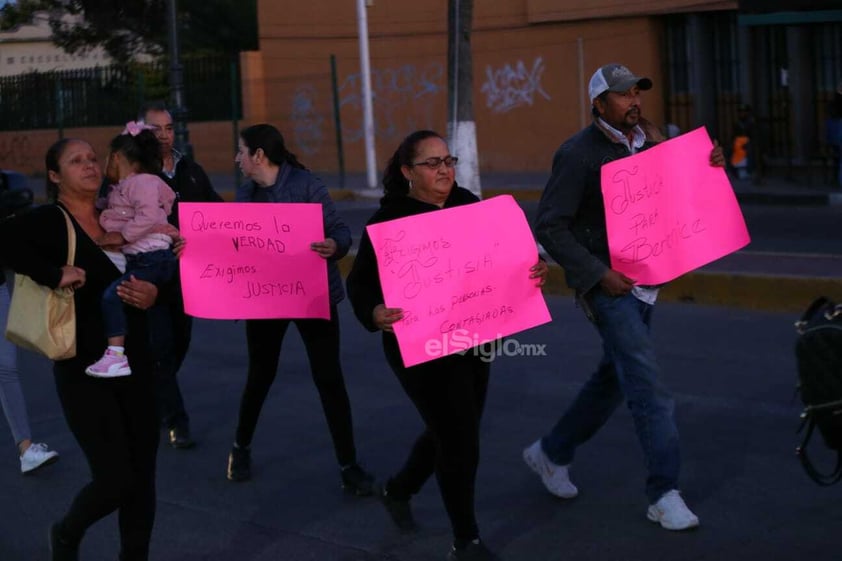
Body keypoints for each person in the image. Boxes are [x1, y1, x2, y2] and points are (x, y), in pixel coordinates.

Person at [526, 63, 725, 532]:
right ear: (598, 104)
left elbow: (678, 191)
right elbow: (551, 226)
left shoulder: (649, 142)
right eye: (621, 94)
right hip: (608, 288)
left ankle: (551, 452)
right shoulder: (577, 154)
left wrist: (708, 165)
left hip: (648, 282)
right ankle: (663, 493)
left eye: (636, 92)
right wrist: (597, 274)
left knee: (612, 379)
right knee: (647, 386)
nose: (633, 100)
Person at [346, 130, 548, 561]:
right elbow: (360, 285)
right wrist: (374, 313)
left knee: (456, 427)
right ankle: (466, 540)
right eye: (432, 163)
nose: (444, 170)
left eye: (448, 161)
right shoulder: (388, 223)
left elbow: (506, 257)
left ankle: (399, 488)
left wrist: (533, 269)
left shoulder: (468, 204)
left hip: (473, 337)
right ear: (407, 172)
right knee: (459, 439)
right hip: (417, 346)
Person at [0, 138, 176, 560]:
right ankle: (66, 532)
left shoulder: (119, 213)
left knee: (143, 478)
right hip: (82, 368)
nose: (90, 165)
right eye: (76, 161)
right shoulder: (49, 220)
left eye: (94, 158)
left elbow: (161, 262)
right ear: (56, 176)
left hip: (137, 363)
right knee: (115, 478)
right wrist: (51, 271)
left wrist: (156, 288)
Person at [226, 123, 374, 494]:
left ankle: (348, 466)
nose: (237, 158)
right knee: (260, 375)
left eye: (241, 151)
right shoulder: (244, 196)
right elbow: (231, 245)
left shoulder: (308, 186)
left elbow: (341, 231)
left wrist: (332, 245)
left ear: (259, 155)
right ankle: (240, 448)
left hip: (312, 296)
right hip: (266, 300)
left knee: (329, 379)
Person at [139, 100, 223, 449]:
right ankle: (177, 420)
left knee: (179, 344)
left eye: (168, 127)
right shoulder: (136, 175)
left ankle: (153, 399)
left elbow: (216, 211)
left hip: (190, 277)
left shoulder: (191, 169)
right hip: (152, 274)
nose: (163, 135)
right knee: (160, 347)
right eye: (155, 128)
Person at [86, 122, 177, 378]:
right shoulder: (126, 186)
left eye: (105, 158)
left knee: (111, 298)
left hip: (151, 259)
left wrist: (122, 235)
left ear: (116, 157)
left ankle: (116, 357)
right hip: (145, 258)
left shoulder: (143, 182)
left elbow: (149, 214)